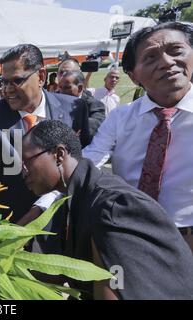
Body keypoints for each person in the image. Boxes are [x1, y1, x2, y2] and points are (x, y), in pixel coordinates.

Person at [21, 120, 193, 300]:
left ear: (59, 155)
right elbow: (66, 271)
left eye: (27, 162)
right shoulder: (75, 198)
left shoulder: (112, 207)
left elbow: (113, 287)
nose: (24, 172)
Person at [83, 21, 193, 252]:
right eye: (151, 58)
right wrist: (42, 204)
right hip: (133, 233)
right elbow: (88, 162)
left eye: (176, 51)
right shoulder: (120, 118)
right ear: (134, 76)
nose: (167, 62)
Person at [0, 44, 88, 223]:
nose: (7, 89)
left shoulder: (74, 109)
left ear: (41, 76)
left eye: (16, 81)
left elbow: (82, 160)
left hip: (63, 219)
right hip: (12, 222)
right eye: (4, 82)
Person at [58, 70, 106, 147]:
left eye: (66, 88)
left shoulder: (95, 106)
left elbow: (91, 127)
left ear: (80, 88)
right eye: (60, 87)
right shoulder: (55, 100)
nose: (61, 91)